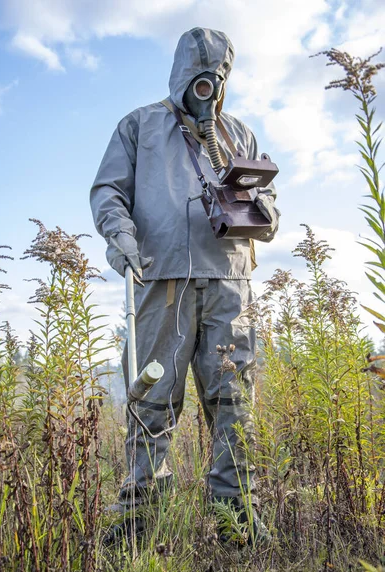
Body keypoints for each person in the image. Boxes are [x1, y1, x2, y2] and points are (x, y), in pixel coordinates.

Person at [90, 27, 280, 544]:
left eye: (217, 79)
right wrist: (121, 238)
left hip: (229, 286)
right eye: (200, 78)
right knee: (152, 398)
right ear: (180, 74)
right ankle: (138, 522)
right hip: (164, 281)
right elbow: (109, 190)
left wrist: (266, 213)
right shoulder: (141, 126)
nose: (209, 89)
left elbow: (268, 200)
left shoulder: (238, 133)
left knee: (234, 400)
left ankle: (237, 518)